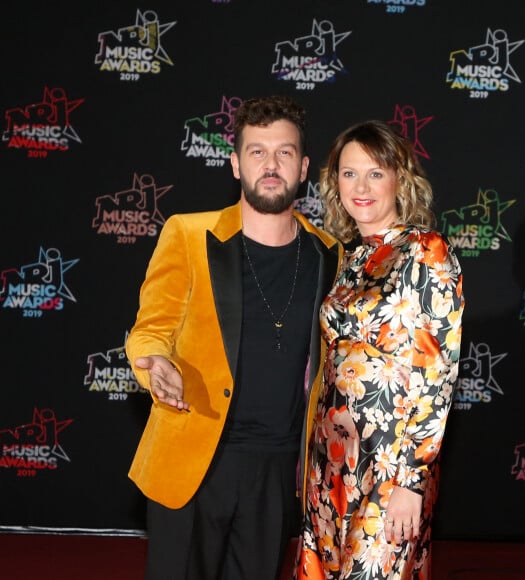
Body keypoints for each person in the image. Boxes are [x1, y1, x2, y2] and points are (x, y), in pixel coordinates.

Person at [125, 95, 342, 580]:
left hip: (277, 468)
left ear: (304, 167)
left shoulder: (330, 255)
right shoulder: (188, 234)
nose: (270, 164)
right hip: (195, 461)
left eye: (284, 153)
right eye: (257, 151)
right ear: (235, 163)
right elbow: (149, 331)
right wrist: (155, 363)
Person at [294, 120, 464, 579]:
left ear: (399, 179)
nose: (361, 187)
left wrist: (413, 479)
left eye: (375, 173)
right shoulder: (346, 258)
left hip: (392, 466)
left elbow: (437, 373)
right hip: (330, 462)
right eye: (349, 174)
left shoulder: (424, 251)